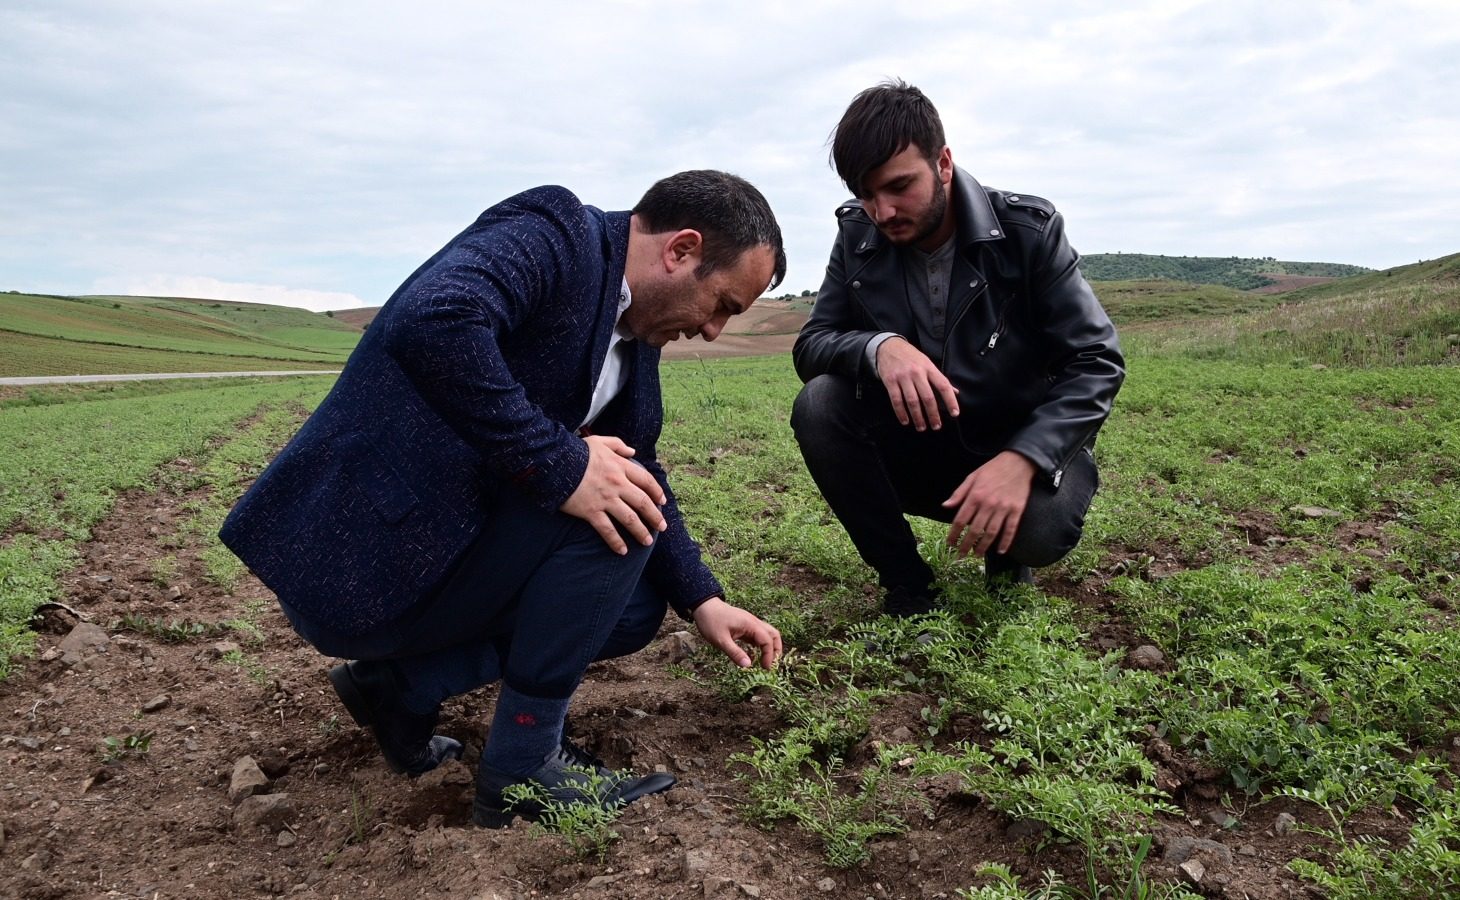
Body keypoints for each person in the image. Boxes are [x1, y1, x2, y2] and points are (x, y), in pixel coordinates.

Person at [220, 170, 786, 827]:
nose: (716, 329)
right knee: (609, 514)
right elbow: (433, 319)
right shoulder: (557, 236)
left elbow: (639, 464)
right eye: (722, 304)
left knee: (631, 609)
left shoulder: (633, 335)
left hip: (438, 554)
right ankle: (523, 766)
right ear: (681, 250)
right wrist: (562, 464)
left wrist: (702, 599)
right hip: (368, 556)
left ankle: (400, 688)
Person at [791, 80, 1124, 617]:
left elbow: (1096, 361)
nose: (883, 211)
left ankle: (1008, 552)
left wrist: (1024, 459)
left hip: (1013, 442)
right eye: (865, 193)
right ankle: (909, 585)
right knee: (820, 403)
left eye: (899, 186)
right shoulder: (858, 236)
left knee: (1039, 531)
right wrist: (881, 347)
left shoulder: (1028, 233)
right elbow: (813, 345)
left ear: (943, 162)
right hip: (922, 443)